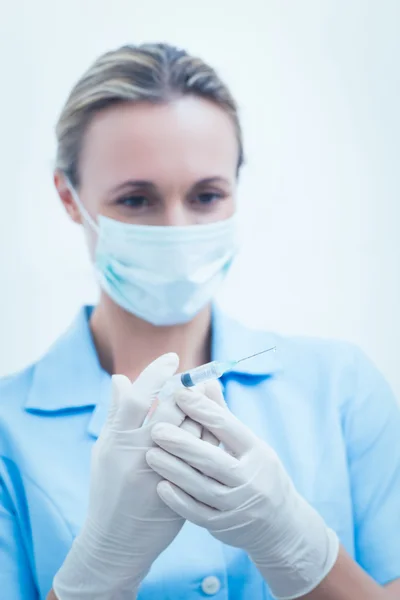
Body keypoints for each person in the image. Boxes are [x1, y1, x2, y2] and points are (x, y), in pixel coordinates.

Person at [0, 43, 399, 600]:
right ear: (69, 197)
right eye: (137, 199)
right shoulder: (7, 431)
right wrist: (95, 577)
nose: (177, 229)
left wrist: (302, 551)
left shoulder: (340, 389)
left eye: (207, 195)